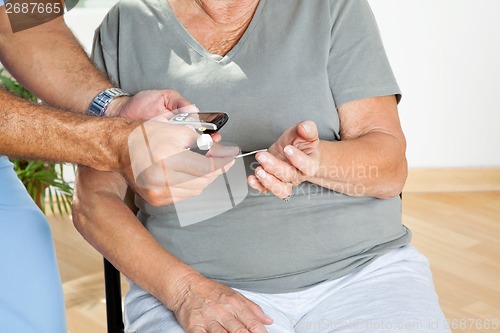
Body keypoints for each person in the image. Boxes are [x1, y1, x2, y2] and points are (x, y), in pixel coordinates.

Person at [74, 0, 451, 332]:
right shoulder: (125, 26)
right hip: (198, 286)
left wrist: (313, 162)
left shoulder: (332, 7)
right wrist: (185, 291)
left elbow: (389, 172)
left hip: (362, 275)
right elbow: (94, 204)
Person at [0, 3, 233, 332]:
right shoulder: (128, 25)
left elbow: (21, 17)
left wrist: (113, 105)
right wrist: (117, 144)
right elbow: (95, 201)